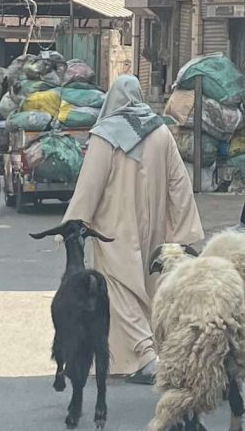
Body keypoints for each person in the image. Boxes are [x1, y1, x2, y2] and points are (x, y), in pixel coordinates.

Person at [62, 73, 203, 382]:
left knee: (119, 289)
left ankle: (145, 356)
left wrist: (75, 222)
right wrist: (182, 230)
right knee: (148, 287)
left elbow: (90, 184)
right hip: (153, 227)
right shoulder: (160, 132)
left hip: (113, 227)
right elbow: (179, 184)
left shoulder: (105, 135)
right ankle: (134, 356)